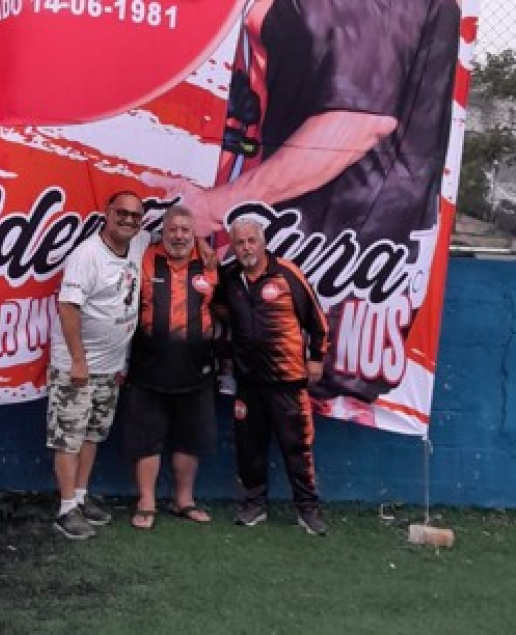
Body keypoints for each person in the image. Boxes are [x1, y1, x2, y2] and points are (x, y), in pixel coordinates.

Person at [144, 0, 461, 414]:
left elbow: (358, 120)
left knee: (294, 415)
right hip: (319, 269)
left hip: (335, 264)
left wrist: (213, 207)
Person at [214, 217, 329, 534]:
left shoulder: (287, 273)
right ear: (233, 246)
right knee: (248, 448)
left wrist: (316, 358)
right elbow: (217, 306)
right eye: (239, 243)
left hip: (288, 382)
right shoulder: (230, 278)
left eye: (251, 241)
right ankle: (254, 504)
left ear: (263, 243)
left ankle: (307, 509)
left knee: (297, 448)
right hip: (248, 383)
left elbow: (317, 319)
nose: (246, 248)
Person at [47, 191, 151, 540]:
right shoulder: (86, 255)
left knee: (92, 434)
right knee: (69, 438)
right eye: (121, 213)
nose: (128, 220)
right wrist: (78, 361)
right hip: (77, 367)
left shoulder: (138, 244)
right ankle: (66, 509)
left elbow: (177, 230)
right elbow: (68, 307)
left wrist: (203, 248)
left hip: (110, 367)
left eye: (135, 216)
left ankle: (80, 496)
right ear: (107, 213)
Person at [120, 206, 218, 530]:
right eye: (172, 229)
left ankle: (184, 500)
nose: (179, 235)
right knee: (146, 437)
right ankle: (146, 501)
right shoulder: (144, 256)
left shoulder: (209, 263)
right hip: (149, 367)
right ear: (162, 232)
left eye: (185, 230)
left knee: (190, 438)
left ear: (194, 233)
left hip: (196, 369)